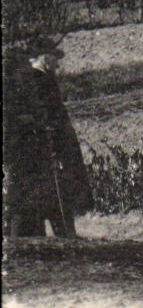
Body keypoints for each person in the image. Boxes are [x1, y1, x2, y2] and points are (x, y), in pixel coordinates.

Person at [3, 35, 90, 237]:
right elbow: (49, 120)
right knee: (53, 202)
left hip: (36, 154)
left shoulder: (27, 79)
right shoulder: (38, 81)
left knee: (37, 206)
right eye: (54, 57)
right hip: (45, 152)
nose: (58, 63)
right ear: (43, 57)